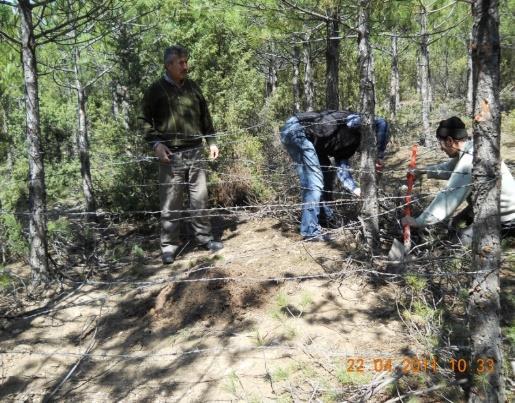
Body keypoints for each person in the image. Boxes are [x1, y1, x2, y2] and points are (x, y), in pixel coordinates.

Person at [141, 45, 223, 264]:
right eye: (181, 62)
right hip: (170, 155)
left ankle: (204, 239)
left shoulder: (193, 87)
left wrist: (212, 141)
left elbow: (206, 117)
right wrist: (156, 144)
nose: (185, 66)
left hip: (196, 150)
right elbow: (143, 121)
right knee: (170, 202)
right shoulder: (155, 90)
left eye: (186, 61)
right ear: (168, 65)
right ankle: (168, 246)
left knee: (200, 198)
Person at [401, 116, 515, 245]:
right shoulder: (473, 148)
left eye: (441, 143)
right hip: (492, 210)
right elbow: (449, 168)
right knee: (454, 223)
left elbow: (449, 195)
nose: (441, 148)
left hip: (506, 219)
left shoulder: (471, 158)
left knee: (457, 241)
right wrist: (424, 171)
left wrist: (418, 221)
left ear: (449, 141)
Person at [279, 110, 389, 241]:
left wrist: (355, 189)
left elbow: (342, 170)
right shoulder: (357, 124)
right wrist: (380, 155)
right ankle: (310, 231)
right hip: (297, 129)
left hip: (311, 140)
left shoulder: (349, 148)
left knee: (326, 174)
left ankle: (326, 219)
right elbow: (380, 122)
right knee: (313, 181)